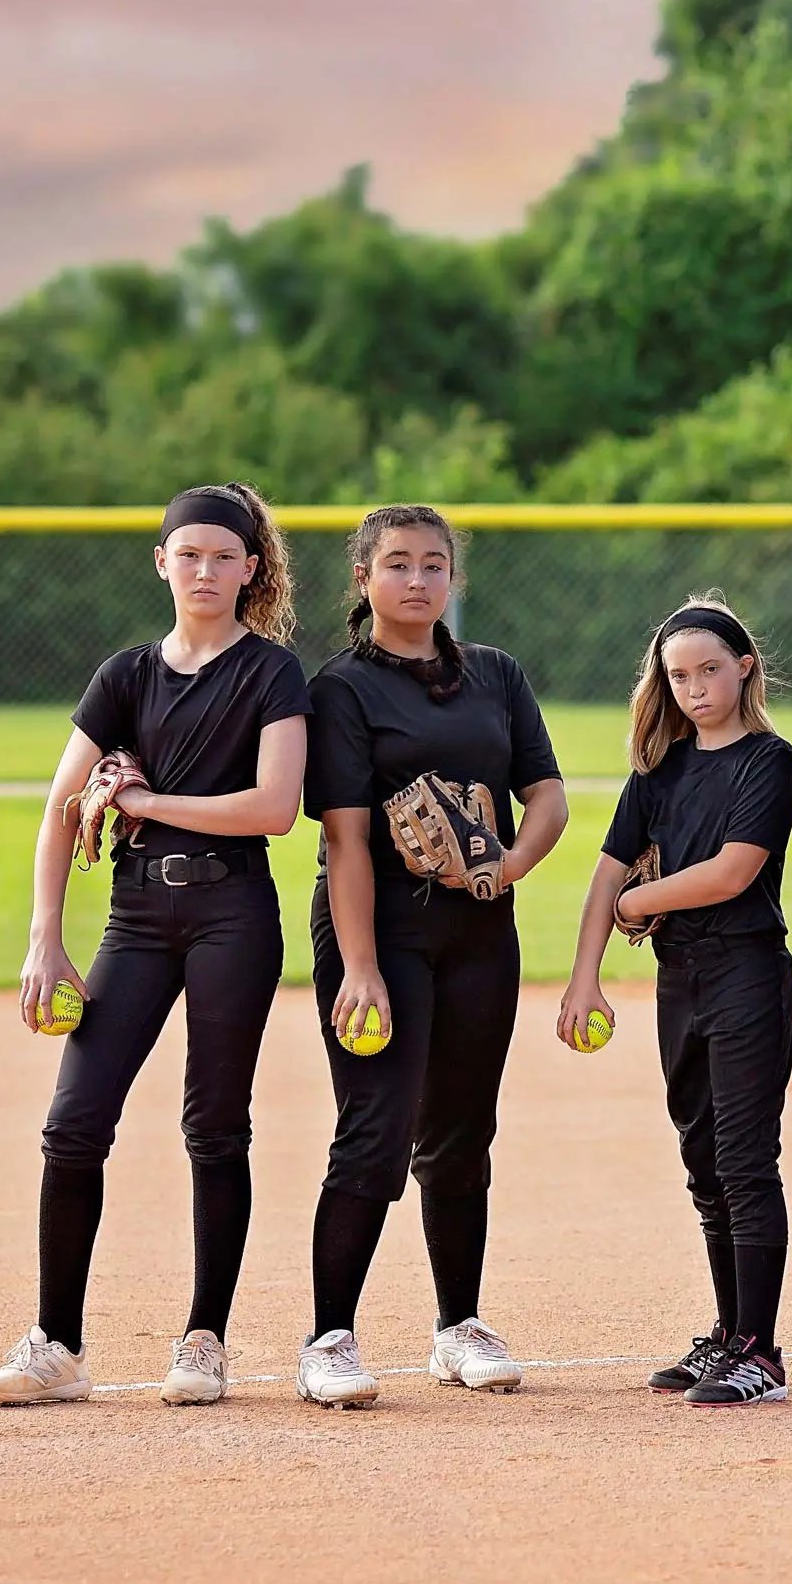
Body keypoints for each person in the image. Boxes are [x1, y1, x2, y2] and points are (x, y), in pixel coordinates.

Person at [0, 483, 310, 1409]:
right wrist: (47, 940)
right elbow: (57, 807)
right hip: (135, 917)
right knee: (74, 1123)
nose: (205, 570)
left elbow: (274, 810)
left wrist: (147, 802)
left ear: (251, 569)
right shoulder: (125, 676)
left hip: (234, 913)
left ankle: (204, 1340)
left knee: (214, 1125)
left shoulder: (272, 673)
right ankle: (57, 1348)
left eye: (224, 555)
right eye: (188, 553)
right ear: (161, 561)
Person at [292, 504, 568, 1409]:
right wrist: (361, 967)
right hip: (383, 930)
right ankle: (329, 1337)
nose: (418, 581)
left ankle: (458, 1327)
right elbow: (343, 841)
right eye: (398, 564)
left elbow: (548, 798)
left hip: (481, 932)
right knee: (374, 1128)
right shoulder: (342, 689)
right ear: (364, 579)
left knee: (462, 1130)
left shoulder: (495, 674)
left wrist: (505, 867)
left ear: (453, 579)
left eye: (435, 565)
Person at [560, 597, 792, 1407]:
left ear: (744, 669)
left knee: (744, 1159)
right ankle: (729, 1331)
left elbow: (732, 871)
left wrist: (640, 903)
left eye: (709, 670)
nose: (695, 688)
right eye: (679, 676)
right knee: (703, 1162)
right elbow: (605, 871)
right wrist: (583, 976)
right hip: (681, 979)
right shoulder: (658, 771)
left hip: (744, 973)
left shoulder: (770, 761)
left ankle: (760, 1352)